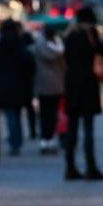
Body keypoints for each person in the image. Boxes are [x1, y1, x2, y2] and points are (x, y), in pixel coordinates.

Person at [61, 7, 103, 181]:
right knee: (88, 129)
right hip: (88, 86)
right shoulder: (91, 35)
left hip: (72, 86)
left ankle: (70, 167)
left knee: (72, 130)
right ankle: (91, 167)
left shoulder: (68, 36)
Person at [0, 20, 34, 156]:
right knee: (16, 113)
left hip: (4, 83)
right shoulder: (20, 44)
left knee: (11, 114)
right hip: (19, 84)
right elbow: (29, 63)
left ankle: (14, 141)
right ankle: (16, 140)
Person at [31, 26, 65, 154]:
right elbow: (64, 67)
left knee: (44, 114)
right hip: (57, 84)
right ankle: (50, 139)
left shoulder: (38, 47)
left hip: (42, 84)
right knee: (53, 114)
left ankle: (44, 141)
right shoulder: (60, 49)